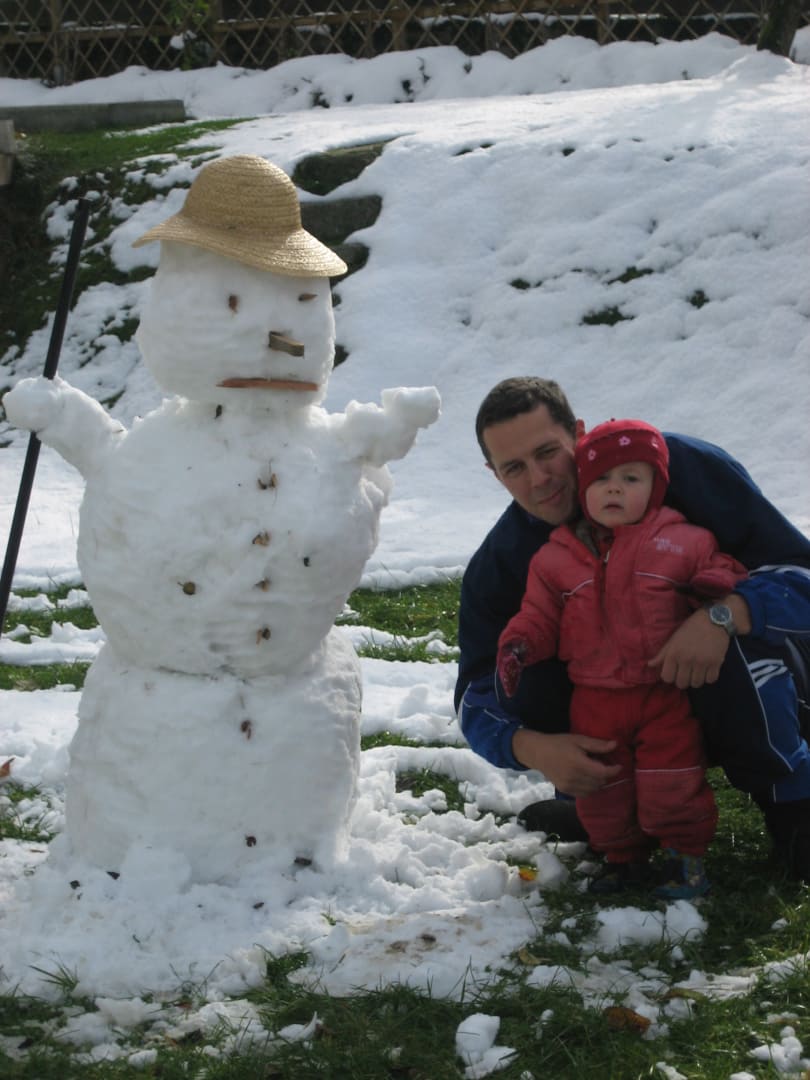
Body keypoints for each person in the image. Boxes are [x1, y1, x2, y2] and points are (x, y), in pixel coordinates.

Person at [455, 377, 810, 881]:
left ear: (578, 433)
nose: (539, 479)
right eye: (514, 467)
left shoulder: (680, 465)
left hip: (739, 679)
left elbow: (801, 574)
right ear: (495, 475)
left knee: (736, 650)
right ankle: (608, 812)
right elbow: (474, 692)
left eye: (548, 452)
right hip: (612, 711)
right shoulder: (500, 564)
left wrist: (725, 614)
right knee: (523, 667)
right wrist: (532, 747)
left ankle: (792, 806)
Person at [496, 418, 748, 897]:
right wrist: (519, 645)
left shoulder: (683, 540)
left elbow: (723, 570)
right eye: (602, 480)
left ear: (656, 488)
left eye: (631, 478)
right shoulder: (554, 559)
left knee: (671, 779)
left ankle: (683, 857)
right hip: (594, 699)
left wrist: (716, 590)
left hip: (663, 692)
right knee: (603, 788)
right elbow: (539, 616)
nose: (615, 488)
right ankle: (621, 858)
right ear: (583, 489)